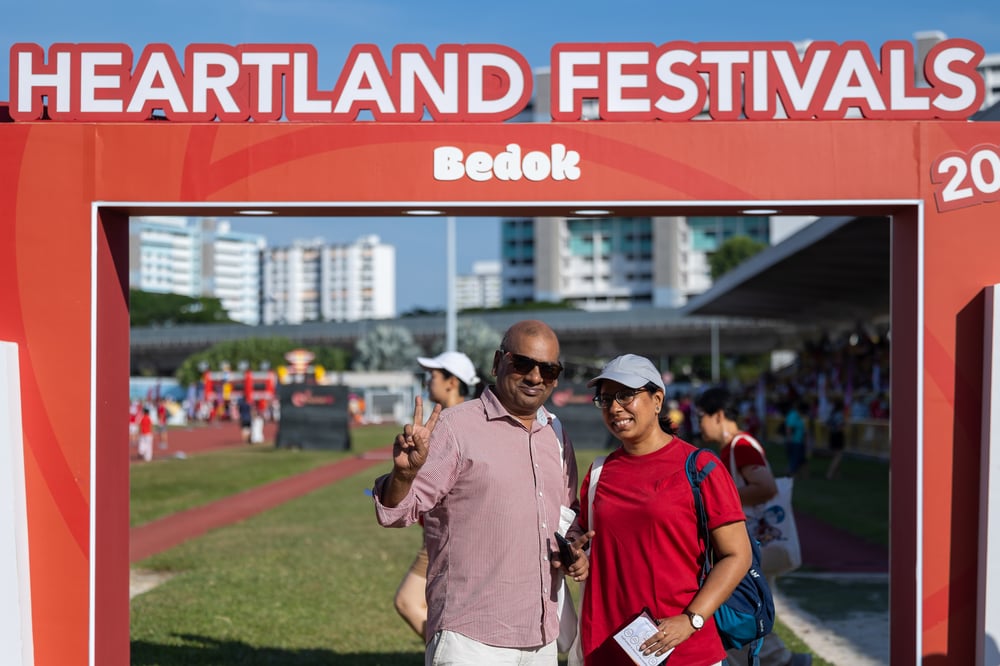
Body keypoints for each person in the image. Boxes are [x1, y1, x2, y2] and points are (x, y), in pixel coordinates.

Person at [372, 320, 591, 665]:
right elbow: (396, 513)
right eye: (523, 364)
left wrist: (573, 551)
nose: (535, 377)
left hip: (540, 638)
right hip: (471, 639)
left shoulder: (556, 434)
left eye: (548, 370)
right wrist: (404, 474)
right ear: (497, 362)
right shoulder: (455, 427)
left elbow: (567, 515)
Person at [578, 354, 750, 665]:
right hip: (606, 648)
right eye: (605, 399)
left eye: (625, 395)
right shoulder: (599, 473)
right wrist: (576, 557)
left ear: (657, 400)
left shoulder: (701, 467)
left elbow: (737, 555)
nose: (614, 407)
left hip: (683, 651)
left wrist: (692, 620)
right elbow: (587, 543)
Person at [695, 387, 812, 666]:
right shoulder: (735, 447)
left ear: (718, 415)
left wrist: (720, 499)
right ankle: (780, 659)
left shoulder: (741, 447)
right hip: (750, 540)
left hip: (751, 541)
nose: (698, 424)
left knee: (737, 605)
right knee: (743, 606)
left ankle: (781, 659)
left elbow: (766, 487)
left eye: (701, 417)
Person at [393, 351, 481, 640]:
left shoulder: (456, 424)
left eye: (434, 376)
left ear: (451, 382)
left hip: (451, 533)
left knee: (408, 602)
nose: (428, 381)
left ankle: (449, 655)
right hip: (439, 531)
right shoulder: (461, 420)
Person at [824, 397, 846, 480]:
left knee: (836, 455)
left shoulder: (832, 413)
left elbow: (827, 423)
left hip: (832, 435)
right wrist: (841, 427)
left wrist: (832, 429)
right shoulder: (839, 414)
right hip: (838, 435)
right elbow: (840, 427)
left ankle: (837, 474)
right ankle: (830, 474)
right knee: (838, 456)